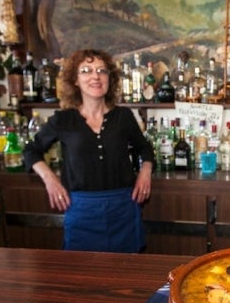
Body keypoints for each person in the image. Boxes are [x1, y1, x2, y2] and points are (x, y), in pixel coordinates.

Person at [23, 49, 155, 253]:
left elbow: (145, 148)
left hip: (123, 208)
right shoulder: (63, 119)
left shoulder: (124, 116)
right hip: (81, 210)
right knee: (83, 277)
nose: (95, 76)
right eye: (86, 70)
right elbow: (31, 150)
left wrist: (145, 172)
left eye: (102, 71)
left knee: (127, 276)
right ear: (75, 80)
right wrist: (50, 179)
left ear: (109, 79)